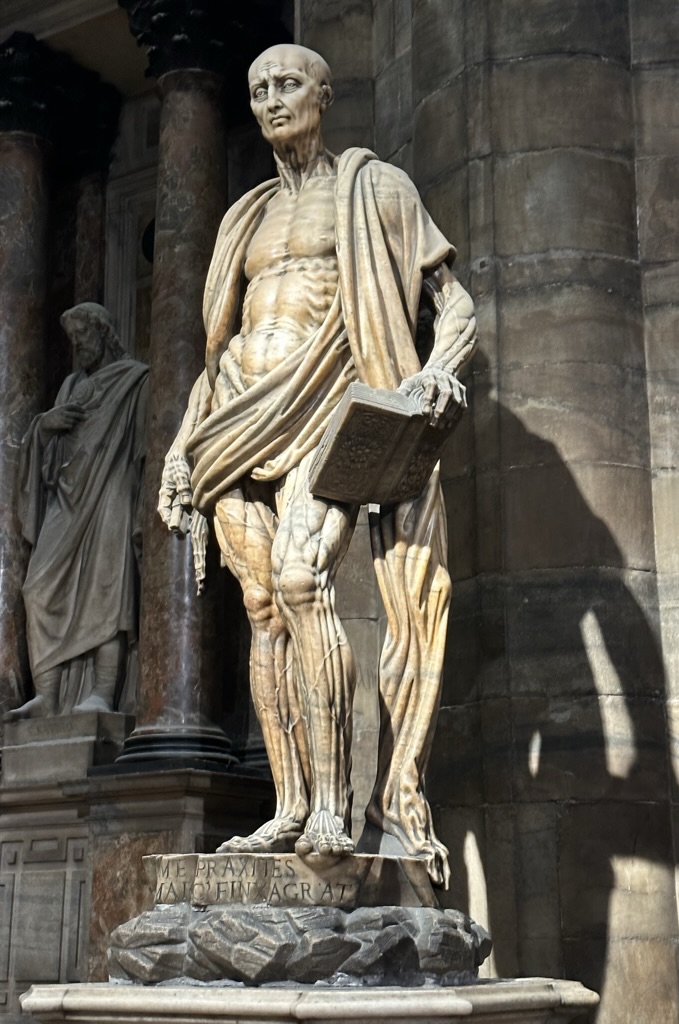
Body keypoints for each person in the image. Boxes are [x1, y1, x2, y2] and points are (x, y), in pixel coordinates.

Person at [158, 44, 476, 886]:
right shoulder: (245, 218)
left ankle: (336, 804)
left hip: (328, 405)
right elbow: (215, 348)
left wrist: (439, 369)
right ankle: (291, 808)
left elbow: (455, 307)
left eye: (288, 84)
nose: (272, 100)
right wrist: (180, 449)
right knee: (263, 609)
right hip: (234, 414)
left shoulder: (377, 190)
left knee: (302, 583)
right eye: (258, 89)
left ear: (325, 95)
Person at [6, 303, 148, 721]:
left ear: (103, 333)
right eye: (72, 340)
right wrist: (44, 426)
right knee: (37, 586)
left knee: (108, 586)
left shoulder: (134, 379)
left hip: (111, 492)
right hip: (66, 497)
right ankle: (47, 695)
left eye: (83, 336)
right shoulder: (70, 385)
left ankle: (103, 692)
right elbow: (48, 455)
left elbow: (149, 445)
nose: (78, 346)